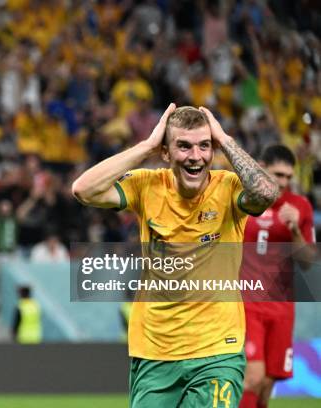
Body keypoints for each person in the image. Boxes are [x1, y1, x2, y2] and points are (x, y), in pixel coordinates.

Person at [72, 104, 278, 407]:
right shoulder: (147, 185)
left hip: (217, 350)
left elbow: (266, 193)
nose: (195, 156)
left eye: (204, 146)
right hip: (154, 351)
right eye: (183, 146)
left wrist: (226, 141)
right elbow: (83, 190)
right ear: (166, 153)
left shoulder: (229, 188)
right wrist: (146, 147)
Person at [239, 145, 316, 408]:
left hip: (282, 307)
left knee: (266, 386)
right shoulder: (243, 201)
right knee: (252, 378)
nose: (283, 182)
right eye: (277, 174)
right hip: (247, 303)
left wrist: (295, 230)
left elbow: (307, 263)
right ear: (261, 167)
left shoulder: (300, 207)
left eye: (287, 177)